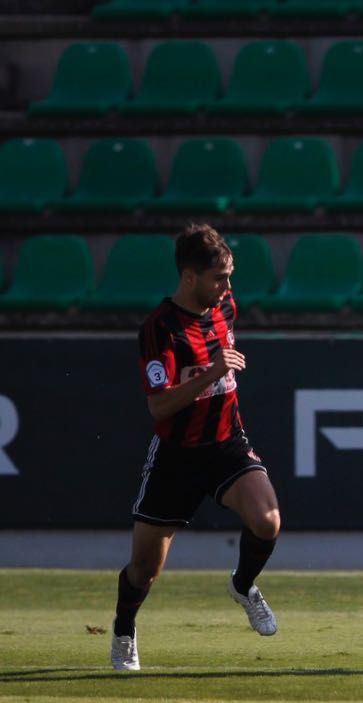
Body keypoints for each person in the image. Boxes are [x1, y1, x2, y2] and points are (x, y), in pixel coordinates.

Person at [111, 224, 281, 671]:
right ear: (189, 277)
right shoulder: (160, 329)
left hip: (226, 443)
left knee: (267, 521)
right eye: (219, 277)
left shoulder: (225, 308)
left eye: (229, 276)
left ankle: (242, 586)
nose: (228, 286)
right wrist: (210, 371)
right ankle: (125, 630)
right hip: (176, 457)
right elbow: (159, 405)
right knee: (144, 570)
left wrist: (214, 373)